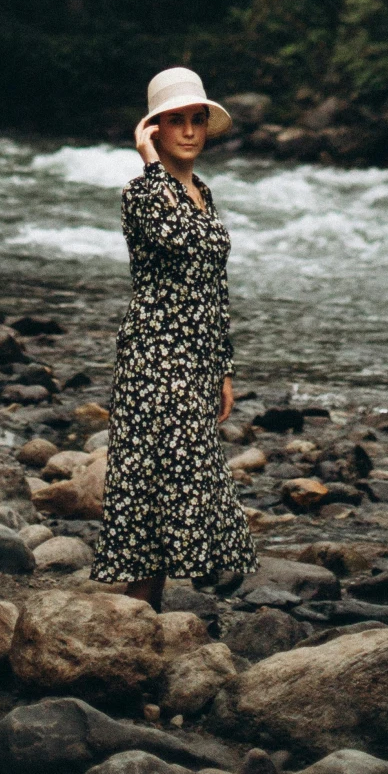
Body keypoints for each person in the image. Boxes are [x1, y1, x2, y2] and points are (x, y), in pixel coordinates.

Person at [90, 66, 255, 608]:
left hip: (196, 356)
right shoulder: (142, 192)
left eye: (196, 120)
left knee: (171, 486)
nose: (188, 131)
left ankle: (144, 615)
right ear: (154, 129)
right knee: (159, 489)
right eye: (174, 121)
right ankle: (137, 617)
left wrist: (224, 367)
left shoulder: (203, 190)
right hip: (155, 357)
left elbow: (216, 284)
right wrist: (150, 163)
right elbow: (179, 242)